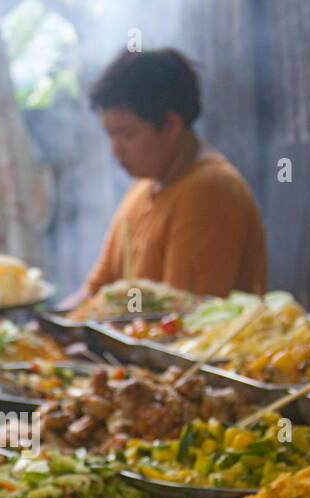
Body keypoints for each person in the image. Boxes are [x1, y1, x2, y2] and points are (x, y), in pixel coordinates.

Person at [62, 48, 267, 307]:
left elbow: (179, 318)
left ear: (171, 126)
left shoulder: (208, 191)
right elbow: (96, 291)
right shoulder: (143, 187)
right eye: (110, 135)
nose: (116, 149)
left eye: (127, 135)